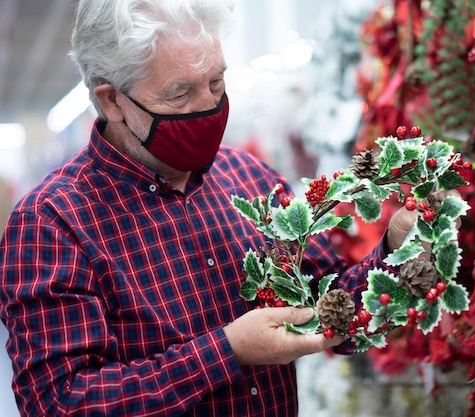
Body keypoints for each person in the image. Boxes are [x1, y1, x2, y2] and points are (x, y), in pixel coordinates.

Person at [0, 0, 418, 415]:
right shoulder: (51, 224)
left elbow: (328, 308)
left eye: (216, 84)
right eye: (180, 93)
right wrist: (227, 351)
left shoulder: (248, 178)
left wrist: (396, 250)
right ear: (112, 102)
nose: (209, 107)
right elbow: (62, 402)